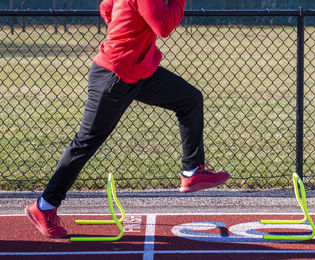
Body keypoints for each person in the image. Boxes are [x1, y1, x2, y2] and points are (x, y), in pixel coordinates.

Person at [25, 0, 230, 238]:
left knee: (190, 99)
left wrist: (126, 32)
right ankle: (44, 206)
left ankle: (192, 170)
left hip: (140, 71)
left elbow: (106, 7)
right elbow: (163, 27)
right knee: (86, 142)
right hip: (115, 74)